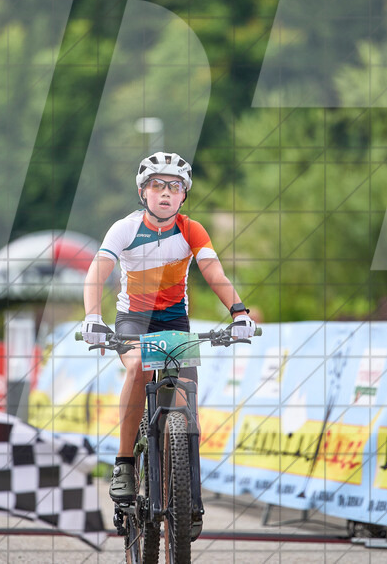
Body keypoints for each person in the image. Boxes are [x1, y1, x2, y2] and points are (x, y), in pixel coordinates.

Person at [81, 152, 257, 514]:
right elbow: (97, 273)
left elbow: (214, 273)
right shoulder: (125, 228)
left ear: (183, 196)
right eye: (157, 185)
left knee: (185, 405)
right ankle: (125, 464)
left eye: (174, 187)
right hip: (134, 319)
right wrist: (92, 317)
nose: (165, 193)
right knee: (137, 369)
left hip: (175, 323)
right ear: (143, 192)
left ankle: (187, 498)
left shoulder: (191, 230)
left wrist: (239, 313)